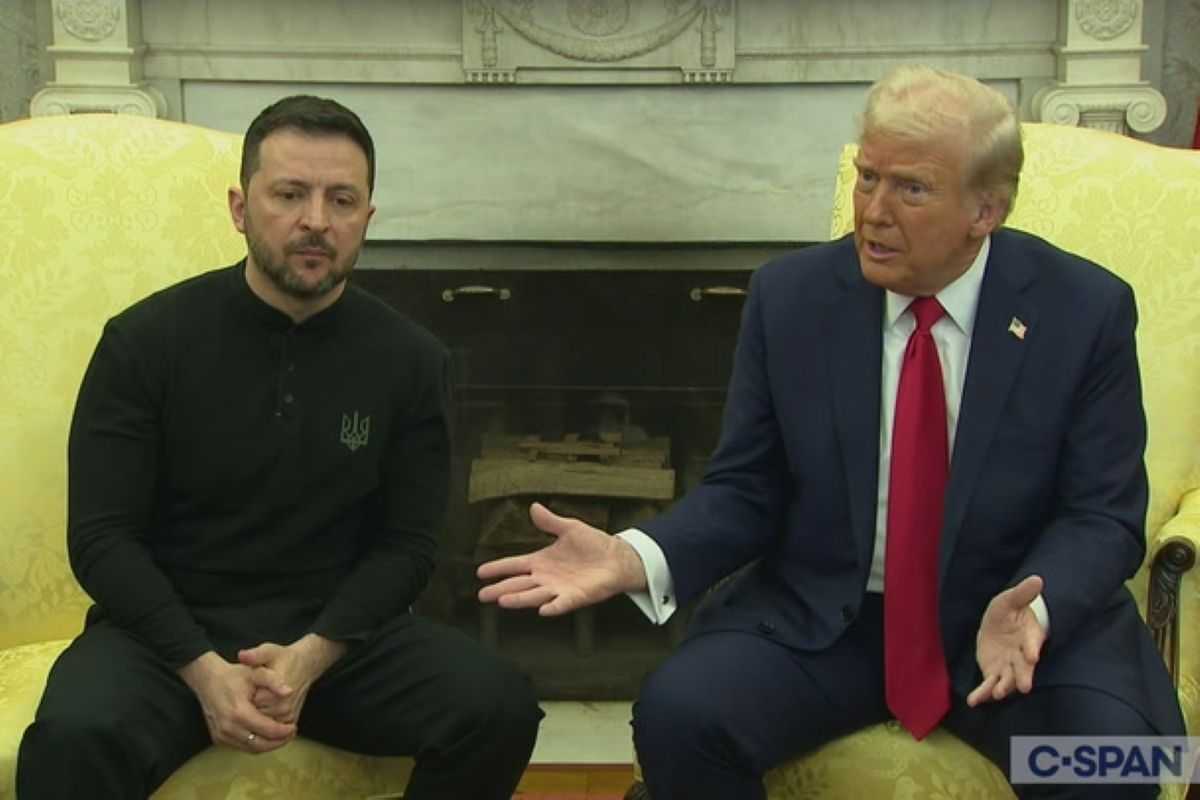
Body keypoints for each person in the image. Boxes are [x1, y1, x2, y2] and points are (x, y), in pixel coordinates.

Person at [477, 66, 1185, 799]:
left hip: (1010, 626)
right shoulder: (791, 298)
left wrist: (1035, 608)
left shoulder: (1084, 311)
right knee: (679, 714)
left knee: (1114, 769)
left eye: (910, 188)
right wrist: (637, 555)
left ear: (986, 210)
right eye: (867, 177)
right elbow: (747, 489)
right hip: (833, 620)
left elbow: (1102, 515)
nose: (873, 212)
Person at [17, 95, 542, 799]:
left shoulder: (412, 360)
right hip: (165, 640)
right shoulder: (143, 343)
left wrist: (309, 659)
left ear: (368, 219)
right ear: (240, 207)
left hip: (335, 644)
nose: (316, 222)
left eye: (342, 200)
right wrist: (202, 669)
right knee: (73, 739)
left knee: (497, 706)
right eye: (290, 195)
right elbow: (102, 537)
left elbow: (410, 546)